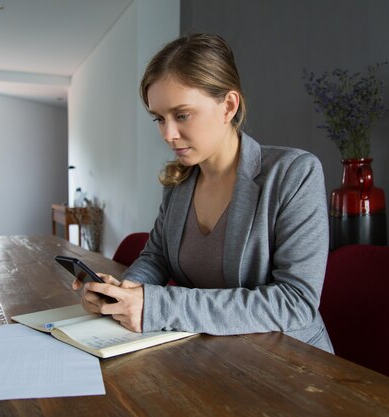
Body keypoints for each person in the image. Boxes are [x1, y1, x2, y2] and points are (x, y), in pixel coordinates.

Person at [72, 33, 333, 352]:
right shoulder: (178, 184)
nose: (168, 134)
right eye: (159, 118)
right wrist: (121, 293)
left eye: (182, 115)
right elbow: (156, 258)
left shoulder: (294, 173)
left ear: (228, 106)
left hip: (290, 365)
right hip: (210, 358)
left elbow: (295, 302)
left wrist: (158, 306)